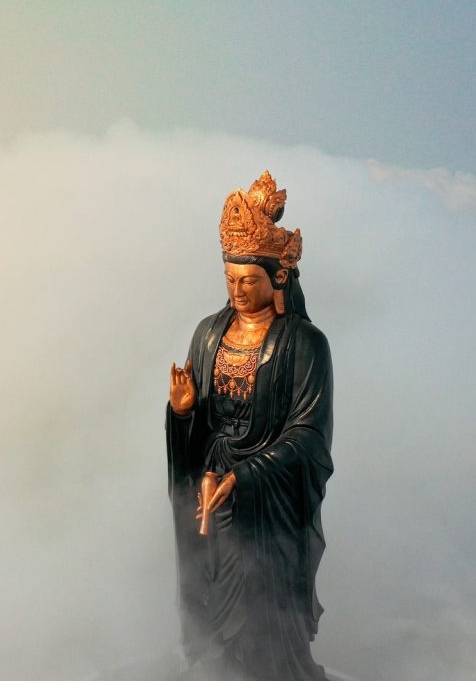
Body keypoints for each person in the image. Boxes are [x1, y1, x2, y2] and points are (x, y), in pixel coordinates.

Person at [166, 171, 333, 680]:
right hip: (212, 489)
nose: (238, 290)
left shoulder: (305, 344)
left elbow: (308, 437)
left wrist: (250, 474)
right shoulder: (208, 333)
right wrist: (183, 411)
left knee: (264, 614)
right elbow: (199, 432)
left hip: (270, 502)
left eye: (250, 280)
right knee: (213, 596)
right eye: (230, 279)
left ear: (276, 278)